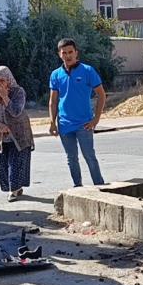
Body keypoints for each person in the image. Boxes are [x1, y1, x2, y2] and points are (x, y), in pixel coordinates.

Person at [49, 38, 106, 187]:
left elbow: (101, 94)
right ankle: (78, 187)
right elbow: (53, 101)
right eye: (64, 53)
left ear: (76, 53)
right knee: (71, 158)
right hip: (64, 124)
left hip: (84, 123)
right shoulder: (56, 75)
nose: (68, 55)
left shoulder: (87, 71)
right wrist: (52, 123)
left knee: (89, 156)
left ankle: (99, 186)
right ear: (59, 54)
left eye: (70, 52)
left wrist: (96, 119)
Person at [0, 66, 34, 201]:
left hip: (19, 135)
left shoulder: (18, 92)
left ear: (9, 80)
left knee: (16, 164)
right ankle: (14, 188)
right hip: (0, 137)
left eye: (2, 80)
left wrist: (5, 97)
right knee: (3, 166)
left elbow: (16, 112)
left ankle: (14, 190)